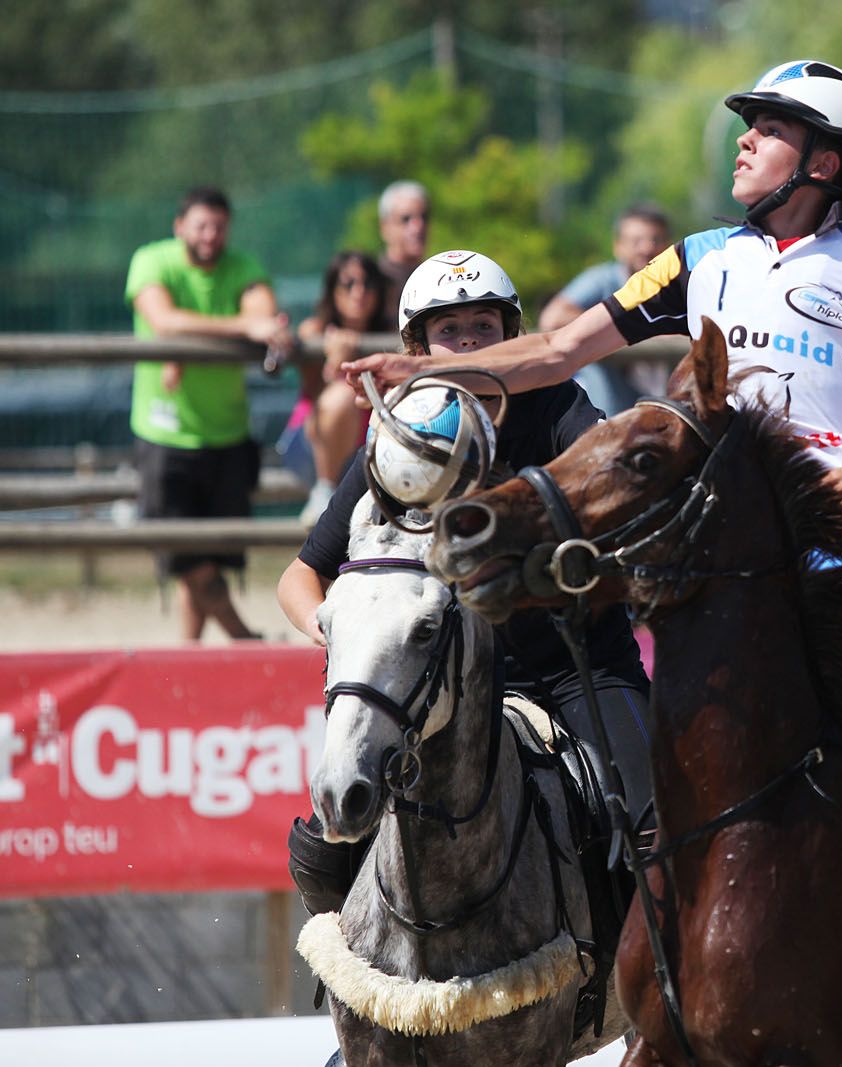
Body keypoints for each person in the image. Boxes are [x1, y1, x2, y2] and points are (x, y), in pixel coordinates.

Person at [346, 61, 842, 1067]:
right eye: (747, 128)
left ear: (821, 159)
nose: (742, 142)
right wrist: (427, 366)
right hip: (725, 570)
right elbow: (554, 350)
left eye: (764, 129)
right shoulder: (697, 258)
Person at [279, 248, 653, 919]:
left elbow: (625, 513)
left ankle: (661, 1003)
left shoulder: (560, 407)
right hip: (436, 687)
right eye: (451, 330)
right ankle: (360, 994)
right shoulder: (400, 436)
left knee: (652, 826)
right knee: (321, 846)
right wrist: (336, 629)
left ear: (513, 337)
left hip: (577, 669)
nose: (470, 341)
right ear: (418, 345)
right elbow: (300, 576)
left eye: (484, 325)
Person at [127, 186, 295, 642]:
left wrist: (187, 345)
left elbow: (264, 314)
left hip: (227, 433)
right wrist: (241, 327)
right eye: (201, 225)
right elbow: (163, 320)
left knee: (202, 563)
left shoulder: (244, 266)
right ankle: (247, 640)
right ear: (179, 226)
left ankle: (190, 656)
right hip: (165, 434)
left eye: (219, 226)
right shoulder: (151, 259)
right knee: (194, 564)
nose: (210, 235)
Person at [539, 204, 674, 416]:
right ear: (618, 246)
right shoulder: (603, 280)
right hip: (608, 418)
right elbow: (553, 317)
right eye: (636, 241)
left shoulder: (679, 287)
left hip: (668, 417)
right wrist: (618, 329)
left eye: (656, 240)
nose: (647, 248)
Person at [291, 251, 390, 525]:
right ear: (333, 290)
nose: (359, 292)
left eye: (367, 284)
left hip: (369, 446)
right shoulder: (314, 331)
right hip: (314, 444)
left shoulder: (391, 334)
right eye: (348, 284)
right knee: (343, 395)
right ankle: (324, 490)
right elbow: (313, 393)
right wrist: (336, 363)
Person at [375, 180, 430, 324]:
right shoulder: (368, 283)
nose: (418, 226)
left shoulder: (438, 277)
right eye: (406, 219)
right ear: (384, 227)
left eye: (424, 217)